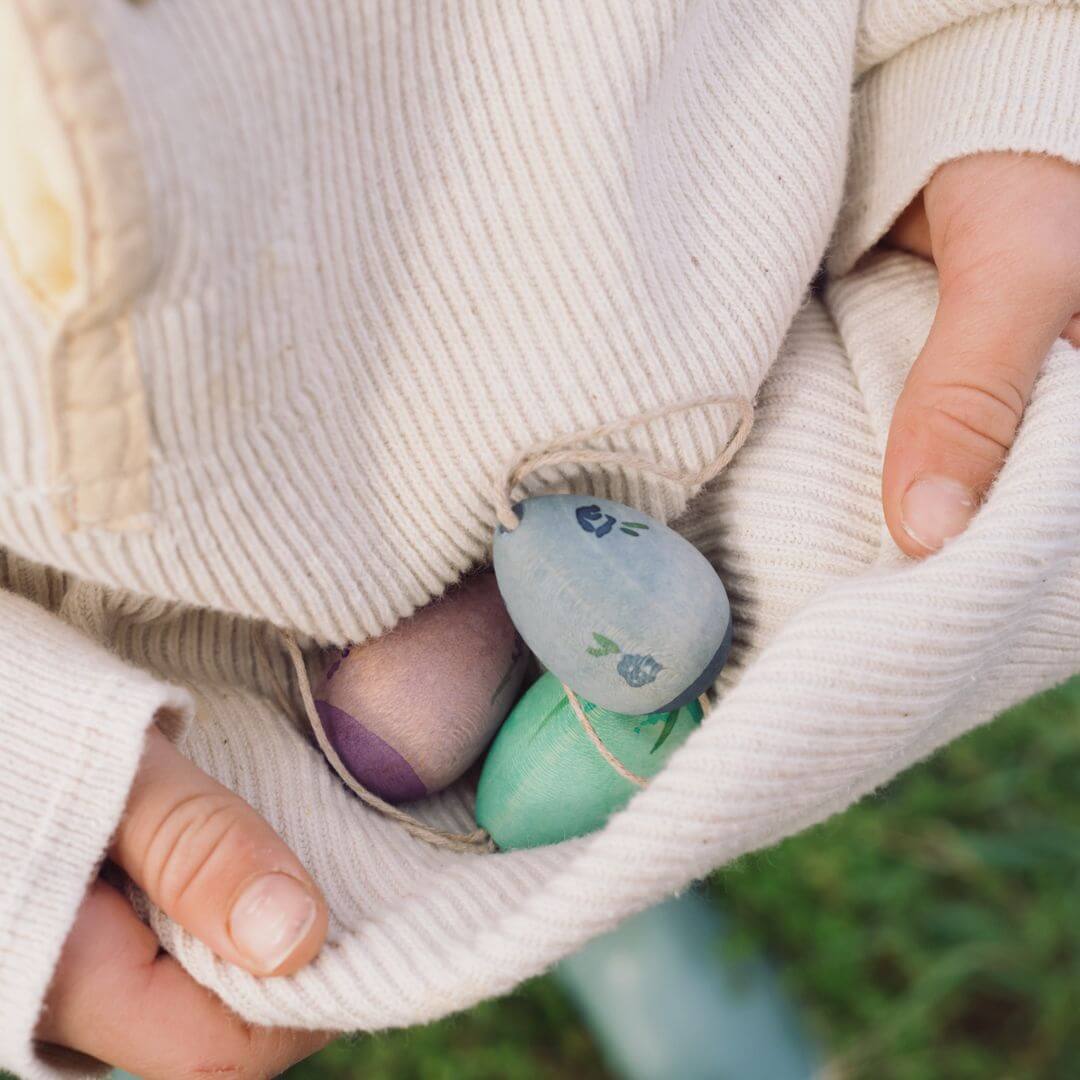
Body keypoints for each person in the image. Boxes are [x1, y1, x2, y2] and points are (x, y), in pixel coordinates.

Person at [1, 2, 1077, 1076]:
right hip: (224, 749)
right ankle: (575, 881)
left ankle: (601, 877)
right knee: (519, 844)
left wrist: (1011, 74)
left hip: (796, 383)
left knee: (597, 821)